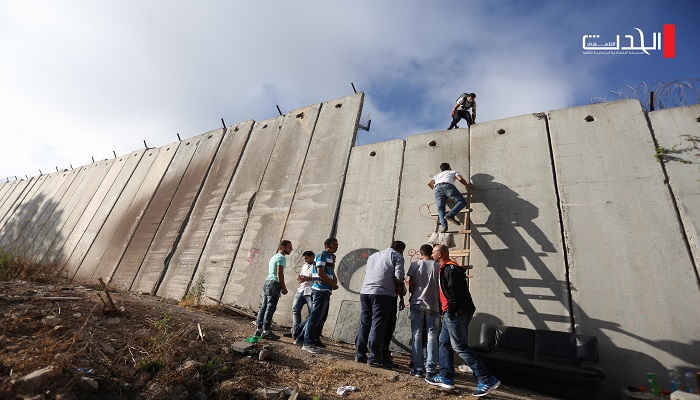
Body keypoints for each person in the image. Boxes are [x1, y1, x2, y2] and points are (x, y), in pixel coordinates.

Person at [426, 244, 500, 397]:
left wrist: (451, 310)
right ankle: (446, 377)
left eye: (433, 253)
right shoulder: (445, 268)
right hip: (449, 313)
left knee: (459, 346)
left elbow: (455, 293)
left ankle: (487, 379)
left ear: (439, 254)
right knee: (444, 342)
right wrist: (444, 310)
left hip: (456, 313)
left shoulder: (450, 269)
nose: (431, 255)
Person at [355, 241, 406, 367]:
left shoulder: (373, 256)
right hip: (382, 294)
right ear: (401, 250)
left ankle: (360, 354)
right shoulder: (397, 256)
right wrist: (402, 293)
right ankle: (374, 357)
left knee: (365, 322)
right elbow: (399, 277)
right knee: (378, 324)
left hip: (365, 291)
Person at [407, 244, 441, 378]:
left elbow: (411, 287)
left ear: (421, 253)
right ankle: (431, 369)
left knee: (416, 335)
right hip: (434, 305)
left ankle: (418, 368)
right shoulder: (438, 266)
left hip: (417, 303)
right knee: (432, 337)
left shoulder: (415, 265)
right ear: (431, 253)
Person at [301, 238, 339, 354]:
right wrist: (332, 283)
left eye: (337, 245)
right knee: (315, 317)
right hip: (320, 290)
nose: (336, 247)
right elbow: (320, 272)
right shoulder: (322, 255)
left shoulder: (330, 257)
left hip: (325, 290)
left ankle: (300, 338)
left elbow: (330, 273)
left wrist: (334, 281)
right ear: (327, 245)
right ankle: (307, 343)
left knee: (318, 316)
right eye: (334, 245)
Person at [254, 240, 292, 340]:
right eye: (289, 247)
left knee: (263, 307)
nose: (291, 249)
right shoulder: (281, 258)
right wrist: (284, 287)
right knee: (270, 308)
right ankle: (266, 331)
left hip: (267, 283)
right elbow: (280, 274)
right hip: (274, 284)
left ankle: (259, 329)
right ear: (283, 247)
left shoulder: (274, 257)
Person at [428, 163, 472, 233]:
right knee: (462, 201)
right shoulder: (453, 172)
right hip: (447, 186)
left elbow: (429, 183)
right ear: (449, 167)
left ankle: (444, 226)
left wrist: (437, 190)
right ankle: (450, 215)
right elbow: (460, 178)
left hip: (437, 188)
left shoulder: (437, 175)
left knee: (440, 208)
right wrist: (467, 185)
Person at [291, 251, 315, 340]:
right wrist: (300, 277)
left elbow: (319, 277)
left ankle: (299, 330)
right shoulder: (305, 265)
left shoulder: (317, 266)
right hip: (301, 290)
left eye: (307, 258)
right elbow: (302, 274)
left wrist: (307, 278)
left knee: (312, 314)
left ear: (312, 257)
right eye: (304, 259)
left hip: (310, 291)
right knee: (295, 309)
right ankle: (295, 331)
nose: (305, 260)